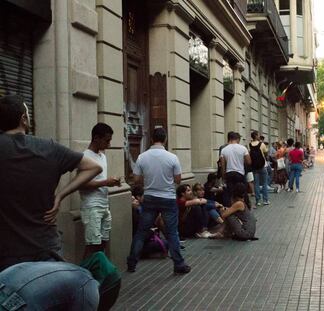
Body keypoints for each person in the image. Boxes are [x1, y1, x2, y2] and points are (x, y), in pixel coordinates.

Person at [0, 94, 103, 309]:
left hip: (6, 256)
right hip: (46, 251)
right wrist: (61, 195)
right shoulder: (48, 148)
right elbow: (94, 167)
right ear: (24, 119)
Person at [127, 127, 190, 274]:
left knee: (141, 232)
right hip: (168, 198)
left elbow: (136, 179)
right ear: (165, 139)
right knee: (172, 232)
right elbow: (178, 179)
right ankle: (179, 264)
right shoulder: (172, 157)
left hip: (150, 197)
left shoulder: (142, 157)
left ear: (151, 139)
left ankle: (131, 263)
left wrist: (148, 180)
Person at [79, 123, 121, 259]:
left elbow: (100, 180)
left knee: (102, 242)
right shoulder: (85, 157)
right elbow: (81, 184)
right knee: (92, 245)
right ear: (96, 138)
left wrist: (112, 182)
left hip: (104, 204)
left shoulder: (103, 156)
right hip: (92, 206)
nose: (109, 145)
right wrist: (105, 182)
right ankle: (83, 276)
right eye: (107, 140)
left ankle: (97, 273)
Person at [220, 131, 251, 207]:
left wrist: (223, 176)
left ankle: (231, 208)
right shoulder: (243, 148)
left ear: (229, 139)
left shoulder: (224, 150)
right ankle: (245, 207)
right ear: (237, 139)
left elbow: (222, 165)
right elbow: (249, 162)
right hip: (240, 173)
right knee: (242, 191)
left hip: (229, 173)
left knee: (230, 192)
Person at [249, 131, 269, 207]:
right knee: (264, 183)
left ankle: (257, 201)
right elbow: (266, 153)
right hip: (262, 166)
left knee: (256, 184)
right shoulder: (262, 144)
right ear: (256, 136)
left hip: (254, 167)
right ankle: (265, 200)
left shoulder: (249, 145)